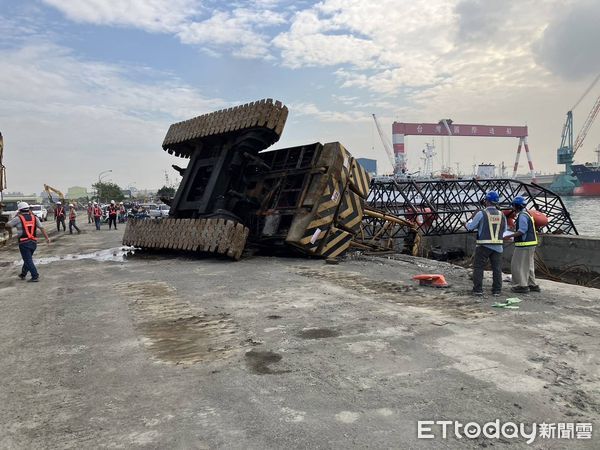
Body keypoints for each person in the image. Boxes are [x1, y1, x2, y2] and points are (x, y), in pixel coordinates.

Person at [464, 191, 507, 297]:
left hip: (483, 245)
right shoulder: (502, 215)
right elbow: (504, 229)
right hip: (498, 246)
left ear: (487, 201)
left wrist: (465, 223)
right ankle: (497, 290)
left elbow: (471, 227)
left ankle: (478, 290)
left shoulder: (481, 213)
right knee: (497, 268)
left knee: (478, 267)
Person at [7, 202, 50, 282]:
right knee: (28, 259)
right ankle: (23, 274)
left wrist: (14, 216)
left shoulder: (18, 218)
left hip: (24, 243)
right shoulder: (35, 218)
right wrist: (47, 238)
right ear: (28, 209)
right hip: (33, 242)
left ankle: (35, 276)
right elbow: (42, 228)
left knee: (28, 260)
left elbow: (8, 225)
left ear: (19, 210)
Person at [505, 196, 540, 293]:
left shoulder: (522, 216)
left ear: (516, 206)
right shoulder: (528, 214)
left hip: (524, 245)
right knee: (528, 266)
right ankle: (532, 284)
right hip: (531, 243)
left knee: (517, 265)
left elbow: (522, 231)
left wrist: (509, 236)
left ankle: (521, 286)